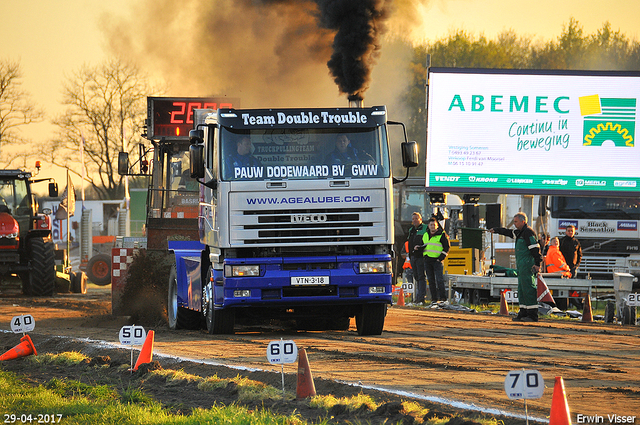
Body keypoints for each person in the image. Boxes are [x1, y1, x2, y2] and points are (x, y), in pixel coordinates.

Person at [490, 212, 542, 322]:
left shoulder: (528, 232)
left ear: (523, 221)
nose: (514, 224)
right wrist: (496, 230)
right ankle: (523, 312)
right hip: (521, 266)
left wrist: (538, 264)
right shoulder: (520, 232)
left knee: (529, 289)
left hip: (527, 265)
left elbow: (535, 250)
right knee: (522, 289)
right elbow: (508, 232)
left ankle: (532, 315)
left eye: (516, 222)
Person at [420, 216, 450, 302]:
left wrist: (440, 258)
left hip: (437, 261)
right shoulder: (425, 235)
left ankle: (443, 298)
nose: (432, 226)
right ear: (428, 226)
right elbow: (424, 245)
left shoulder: (441, 235)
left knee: (439, 280)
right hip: (428, 260)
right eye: (431, 225)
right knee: (431, 281)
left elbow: (447, 247)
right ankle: (434, 299)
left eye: (434, 225)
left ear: (437, 226)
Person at [407, 212, 427, 304]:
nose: (414, 220)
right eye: (413, 219)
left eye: (416, 218)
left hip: (421, 256)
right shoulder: (411, 230)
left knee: (421, 276)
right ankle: (417, 297)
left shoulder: (425, 228)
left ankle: (421, 297)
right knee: (416, 277)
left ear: (420, 219)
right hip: (413, 257)